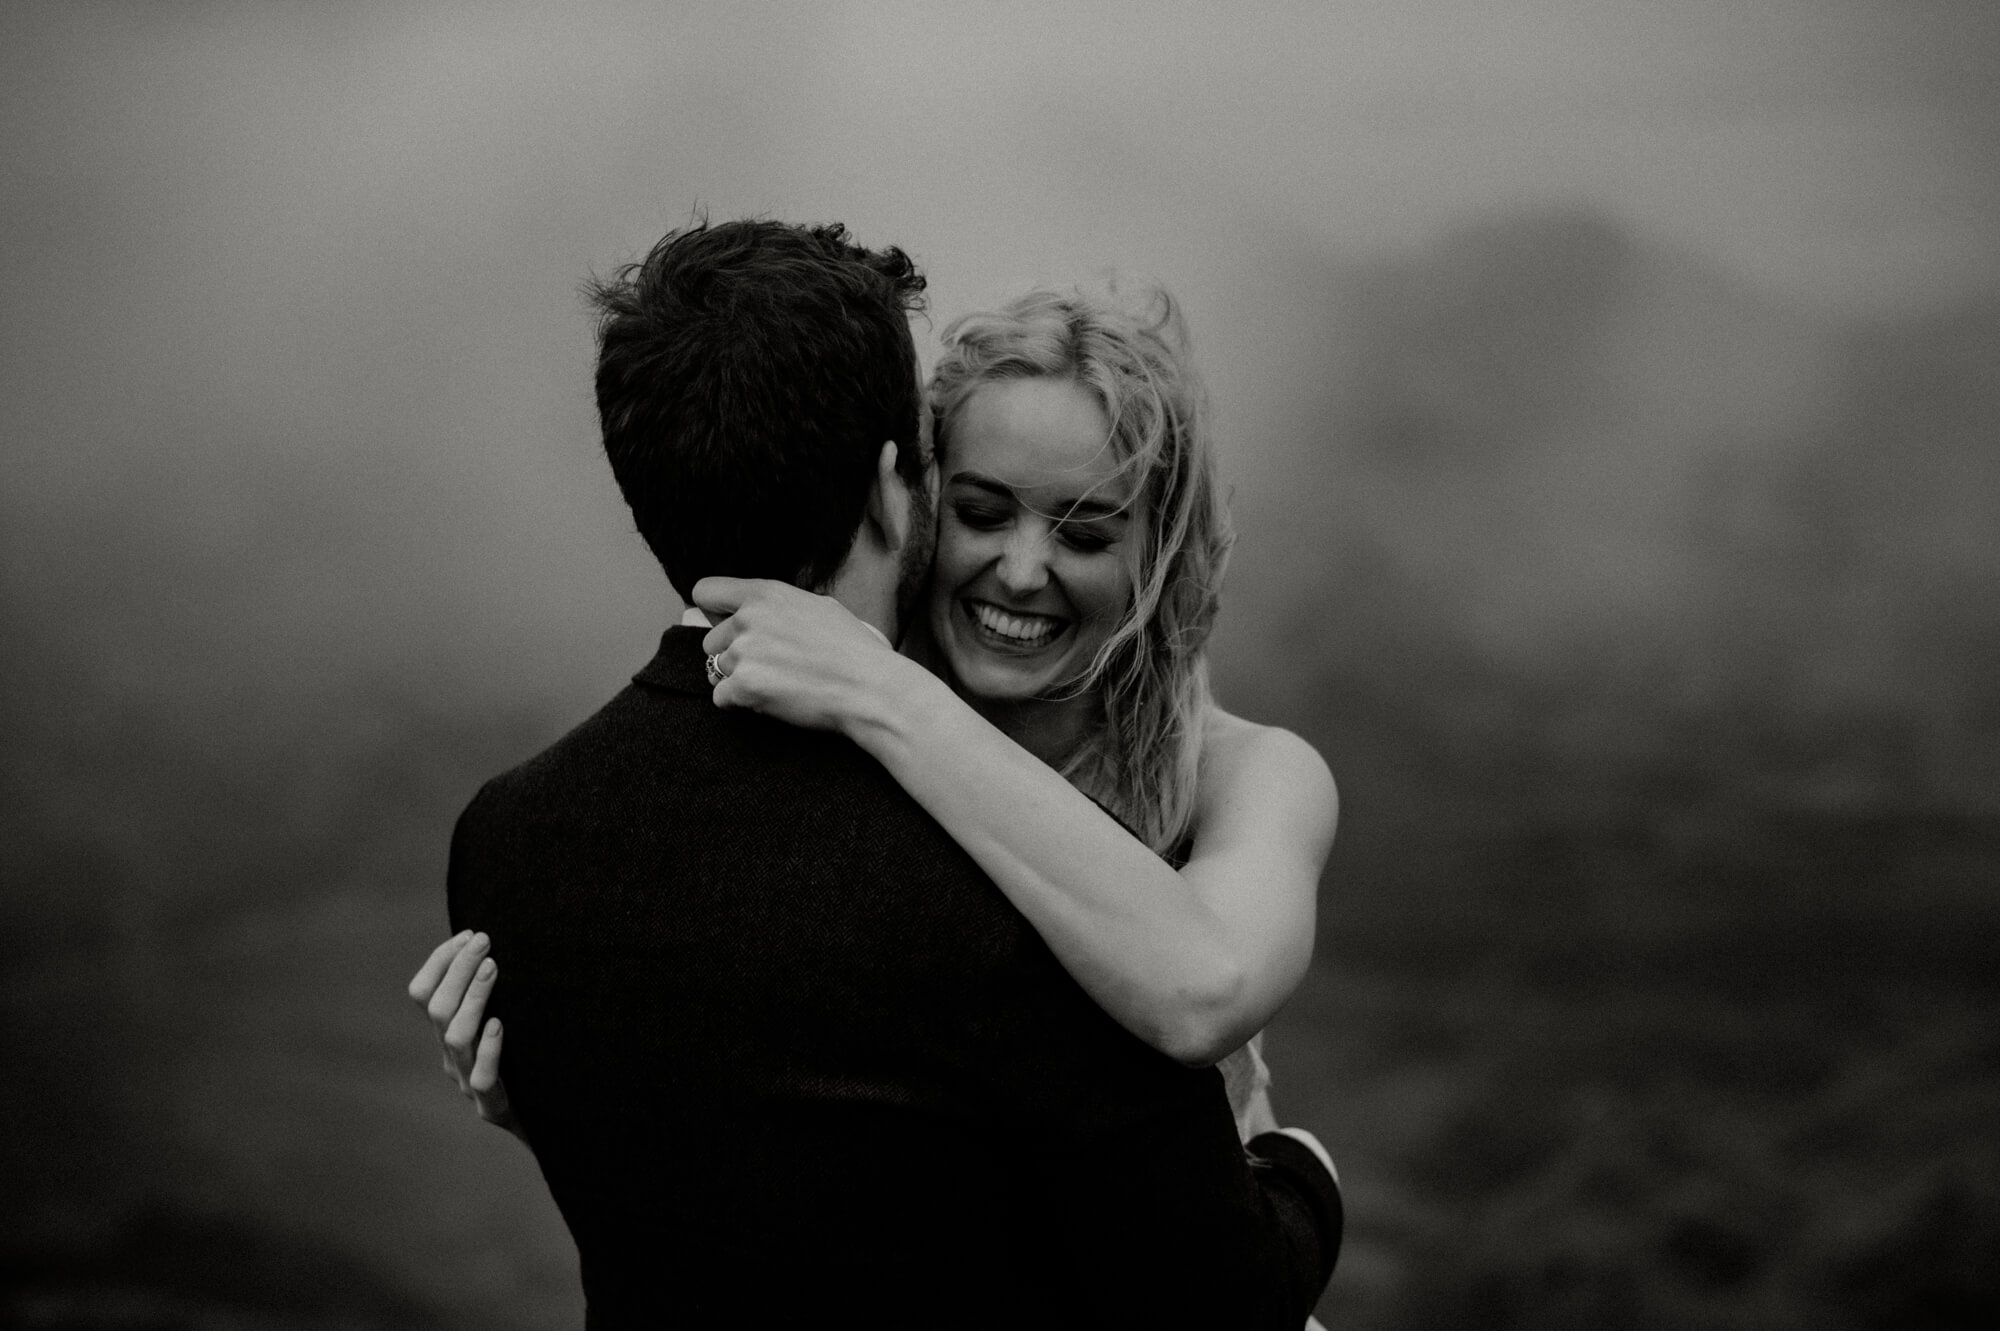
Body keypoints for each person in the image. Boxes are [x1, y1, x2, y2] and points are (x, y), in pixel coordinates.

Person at [419, 217, 1342, 1328]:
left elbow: (1197, 988)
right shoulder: (883, 839)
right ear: (906, 490)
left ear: (1161, 548)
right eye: (981, 508)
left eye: (1087, 532)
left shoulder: (1248, 774)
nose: (1022, 567)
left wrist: (879, 686)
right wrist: (565, 1096)